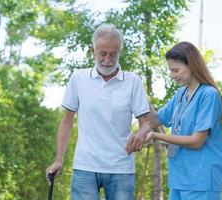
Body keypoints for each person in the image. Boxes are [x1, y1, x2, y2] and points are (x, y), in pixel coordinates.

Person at [46, 23, 150, 200]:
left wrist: (141, 133)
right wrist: (59, 159)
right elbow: (66, 121)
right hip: (85, 166)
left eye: (113, 54)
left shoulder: (133, 81)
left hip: (121, 168)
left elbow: (145, 122)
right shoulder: (78, 78)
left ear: (119, 52)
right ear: (92, 50)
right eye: (102, 53)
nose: (108, 59)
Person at [146, 41, 222, 200]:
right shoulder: (180, 95)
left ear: (192, 65)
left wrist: (156, 136)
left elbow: (197, 141)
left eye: (176, 70)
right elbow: (155, 120)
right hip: (178, 178)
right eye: (170, 71)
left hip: (201, 180)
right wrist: (138, 94)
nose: (172, 75)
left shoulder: (209, 95)